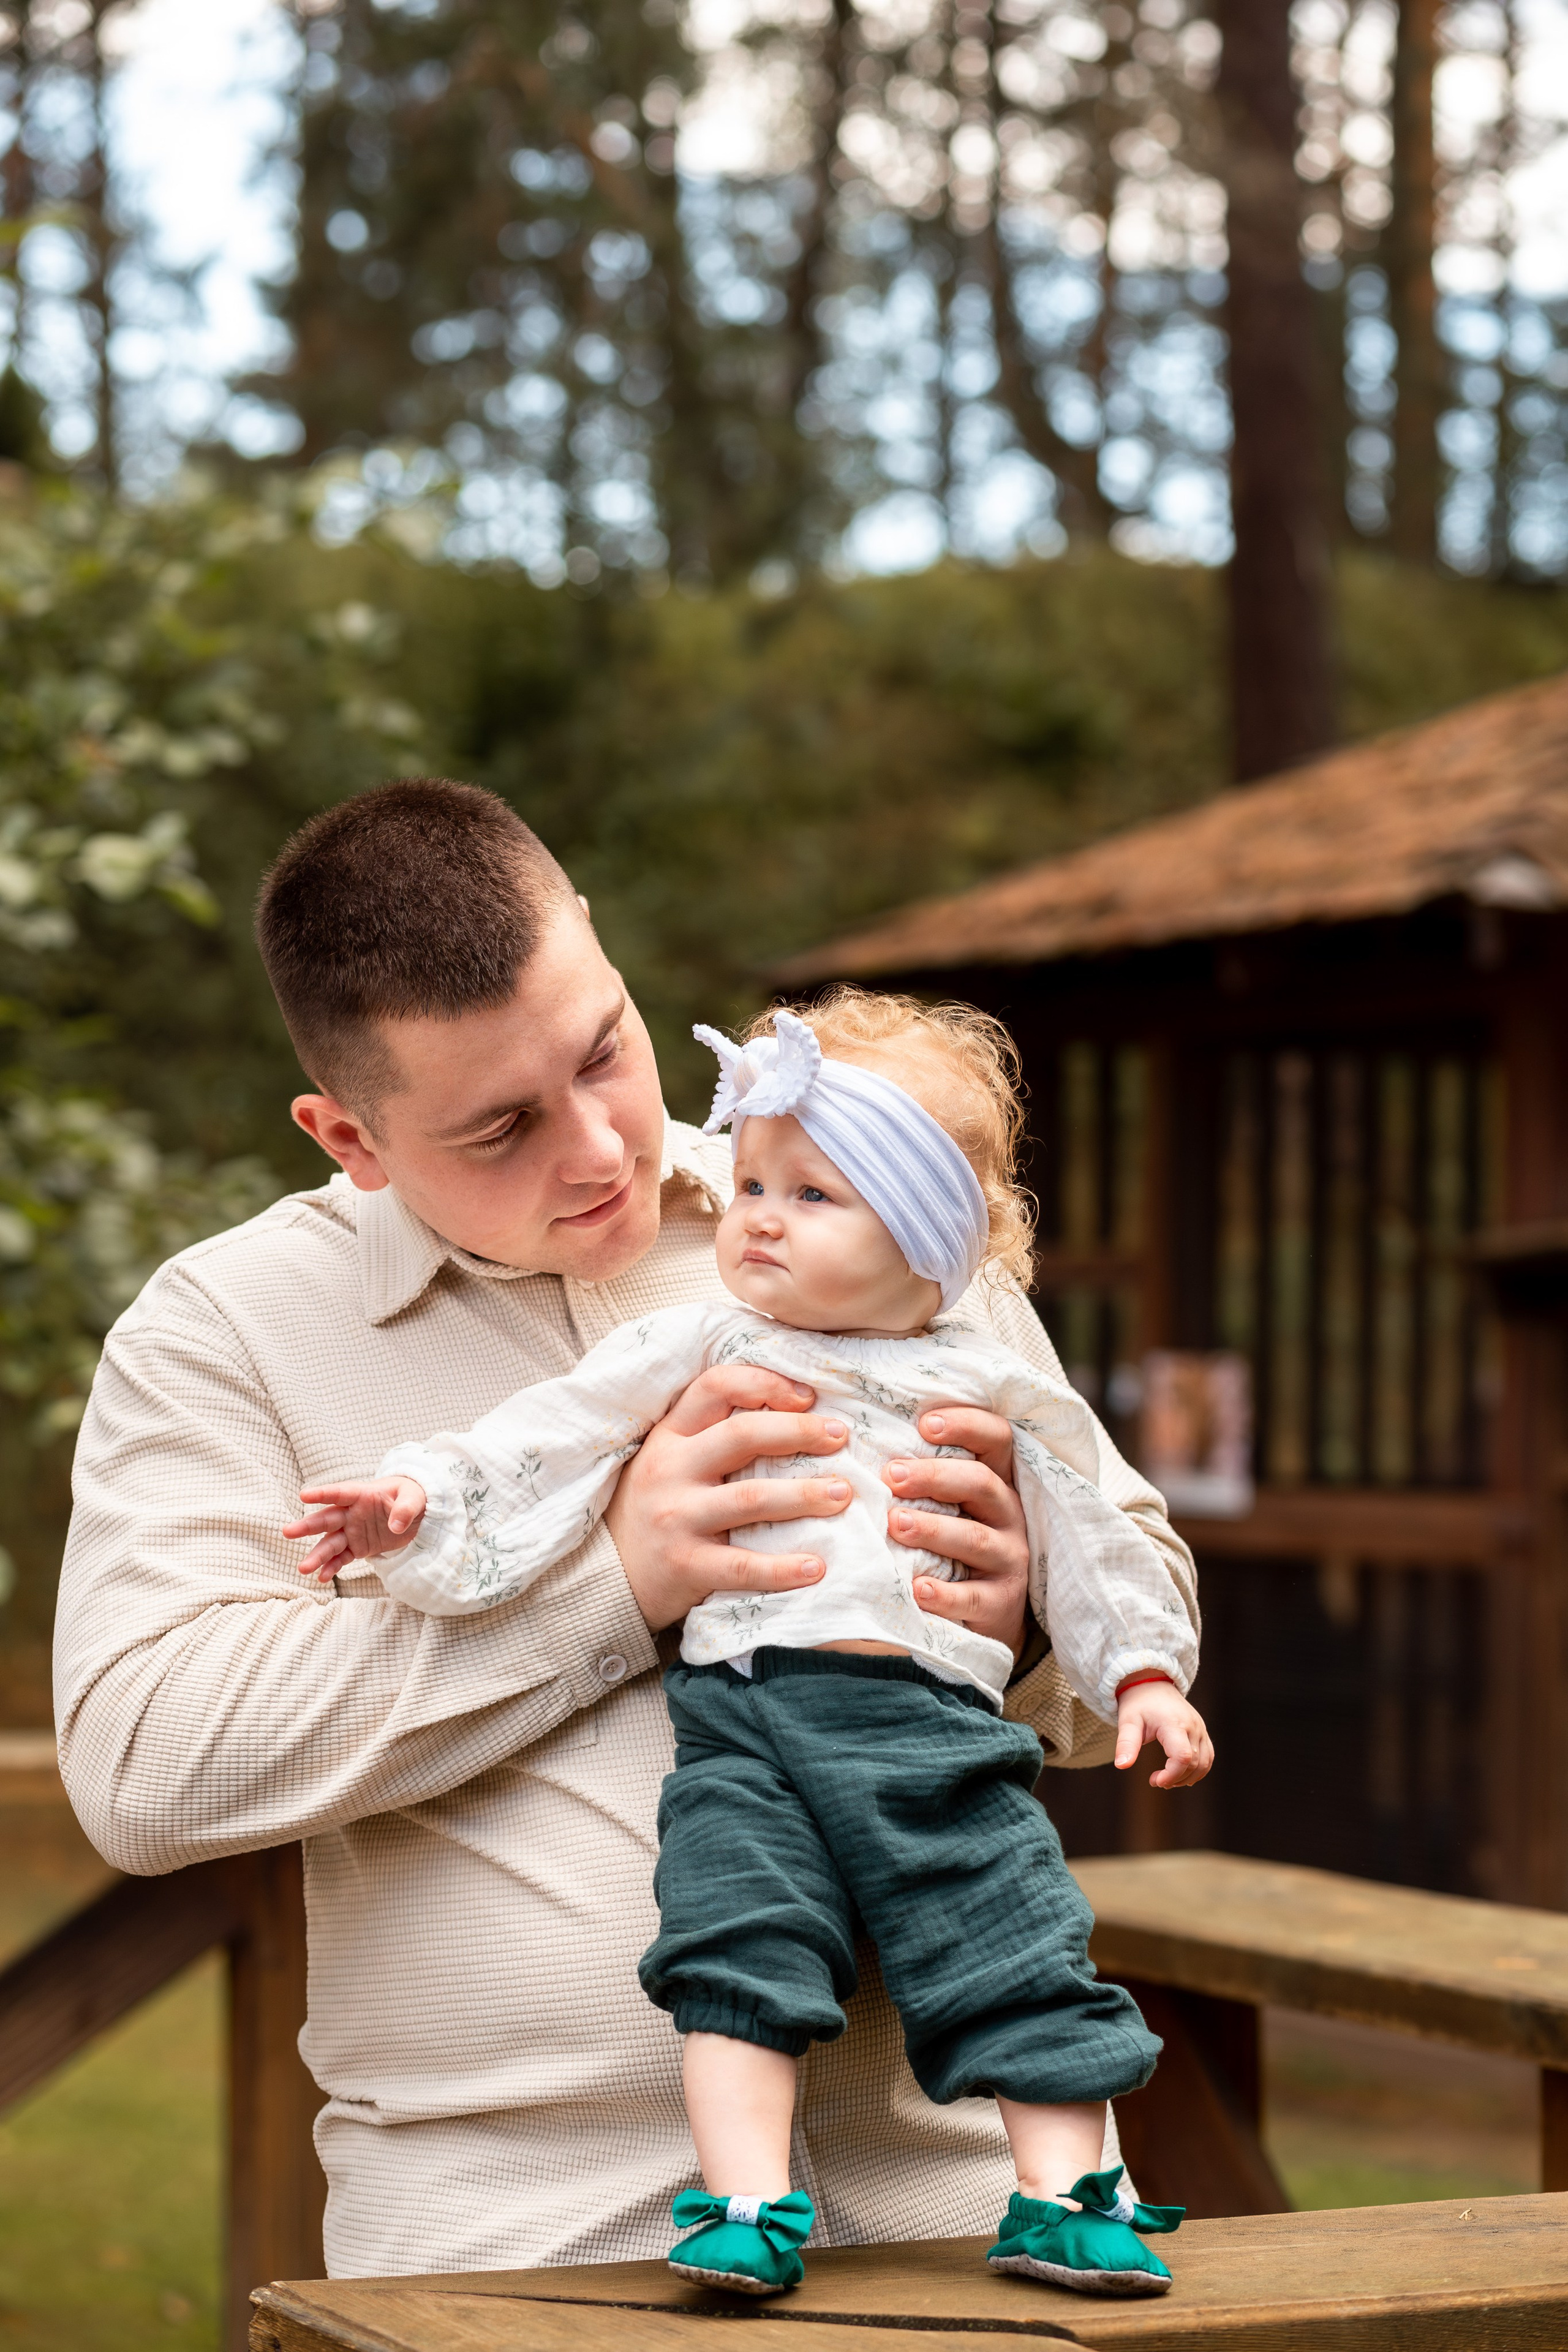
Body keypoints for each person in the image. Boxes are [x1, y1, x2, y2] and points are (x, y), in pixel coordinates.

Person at [53, 778, 1200, 2279]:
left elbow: (1131, 1580)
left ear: (595, 941)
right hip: (516, 2243)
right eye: (498, 1127)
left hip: (966, 2204)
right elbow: (144, 1761)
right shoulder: (226, 1330)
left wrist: (1027, 1618)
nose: (600, 1147)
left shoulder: (870, 1201)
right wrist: (615, 1585)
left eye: (602, 1049)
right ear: (351, 1137)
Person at [283, 992, 1210, 2299]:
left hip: (939, 1735)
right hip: (748, 1725)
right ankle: (743, 2202)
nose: (758, 1214)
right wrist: (419, 1502)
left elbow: (1098, 1540)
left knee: (1016, 1944)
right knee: (734, 1948)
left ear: (929, 1238)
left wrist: (1140, 1673)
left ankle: (1067, 2198)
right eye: (757, 1183)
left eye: (812, 1195)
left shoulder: (996, 1383)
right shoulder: (706, 1340)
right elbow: (551, 1435)